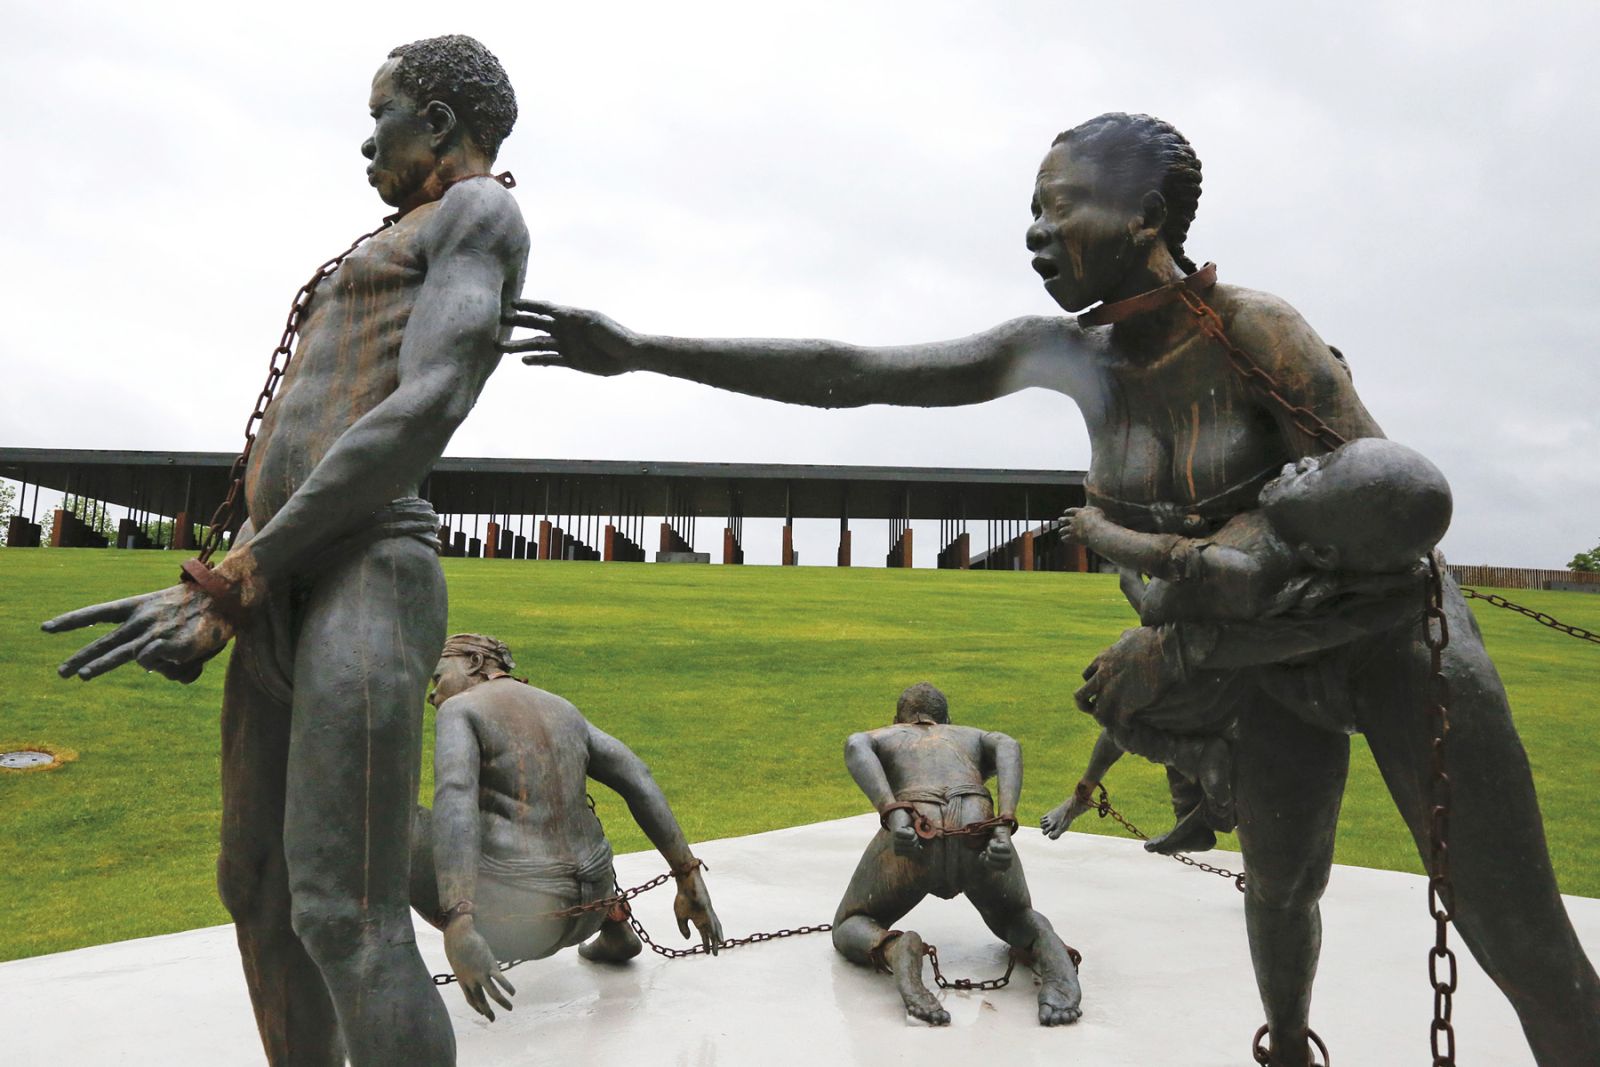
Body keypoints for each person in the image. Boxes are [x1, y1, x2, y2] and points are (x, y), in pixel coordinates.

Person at [502, 112, 1599, 1065]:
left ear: (1146, 219)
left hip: (1390, 643)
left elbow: (1386, 528)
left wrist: (1177, 645)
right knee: (1278, 888)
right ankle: (1288, 1045)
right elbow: (855, 372)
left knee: (1517, 935)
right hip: (1257, 662)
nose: (1034, 233)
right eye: (1029, 212)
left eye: (1058, 208)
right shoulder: (1068, 353)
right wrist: (645, 350)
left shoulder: (1256, 331)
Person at [42, 35, 529, 1067]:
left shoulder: (479, 213)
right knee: (256, 885)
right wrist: (231, 580)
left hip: (366, 569)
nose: (367, 140)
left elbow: (428, 402)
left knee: (346, 910)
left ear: (437, 121)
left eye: (381, 113)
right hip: (277, 576)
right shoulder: (393, 236)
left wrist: (240, 576)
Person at [1041, 437, 1452, 854]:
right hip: (1186, 641)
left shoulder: (1255, 567)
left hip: (1191, 653)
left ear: (1322, 551)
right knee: (1134, 706)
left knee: (1108, 708)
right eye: (1318, 463)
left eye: (1316, 477)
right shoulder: (1284, 529)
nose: (1301, 464)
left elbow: (1171, 559)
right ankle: (1188, 805)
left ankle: (1193, 760)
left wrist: (1096, 531)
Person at [409, 633, 724, 1021]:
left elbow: (455, 797)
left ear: (474, 663)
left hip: (516, 922)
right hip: (588, 908)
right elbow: (637, 777)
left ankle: (388, 963)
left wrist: (458, 921)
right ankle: (615, 926)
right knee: (567, 816)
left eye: (438, 677)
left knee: (394, 823)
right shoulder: (561, 708)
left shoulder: (460, 709)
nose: (433, 695)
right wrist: (688, 876)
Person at [832, 683, 1081, 1027]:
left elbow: (855, 744)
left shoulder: (888, 735)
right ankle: (1049, 951)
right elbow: (1008, 745)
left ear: (897, 719)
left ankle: (892, 948)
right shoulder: (970, 735)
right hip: (977, 821)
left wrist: (893, 811)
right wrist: (1003, 823)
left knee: (849, 924)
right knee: (1016, 916)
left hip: (916, 824)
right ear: (948, 720)